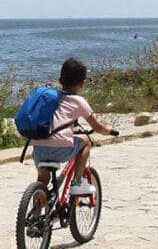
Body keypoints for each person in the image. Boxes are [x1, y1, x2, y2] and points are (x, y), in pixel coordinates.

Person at [31, 57, 115, 195]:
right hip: (61, 150)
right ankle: (77, 182)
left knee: (42, 180)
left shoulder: (49, 98)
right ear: (82, 84)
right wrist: (108, 130)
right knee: (86, 141)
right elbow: (98, 127)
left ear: (59, 80)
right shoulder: (78, 101)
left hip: (39, 149)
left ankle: (36, 211)